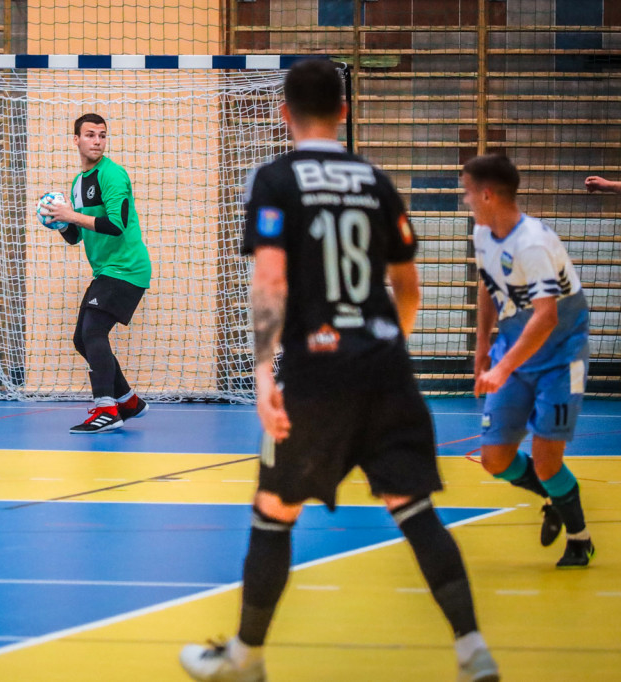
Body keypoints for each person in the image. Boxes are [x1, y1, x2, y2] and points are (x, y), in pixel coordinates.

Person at [179, 59, 498, 682]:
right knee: (415, 511)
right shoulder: (376, 181)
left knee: (274, 512)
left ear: (283, 115)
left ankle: (244, 658)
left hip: (315, 377)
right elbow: (408, 285)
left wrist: (265, 374)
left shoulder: (275, 179)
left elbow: (271, 281)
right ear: (345, 112)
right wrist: (382, 344)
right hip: (385, 371)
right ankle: (473, 651)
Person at [465, 153, 594, 567]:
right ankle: (554, 498)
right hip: (514, 346)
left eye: (468, 193)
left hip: (559, 353)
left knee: (546, 460)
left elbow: (547, 316)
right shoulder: (483, 233)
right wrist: (483, 347)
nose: (465, 201)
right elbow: (487, 285)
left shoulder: (532, 243)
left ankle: (580, 538)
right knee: (494, 459)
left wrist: (501, 368)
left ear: (487, 194)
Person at [41, 113, 153, 434]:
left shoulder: (113, 175)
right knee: (82, 339)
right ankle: (128, 401)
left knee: (93, 333)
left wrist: (71, 214)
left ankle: (106, 408)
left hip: (127, 268)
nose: (97, 141)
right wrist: (60, 222)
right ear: (75, 139)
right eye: (90, 135)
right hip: (107, 271)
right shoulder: (77, 184)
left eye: (102, 135)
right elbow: (77, 236)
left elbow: (115, 225)